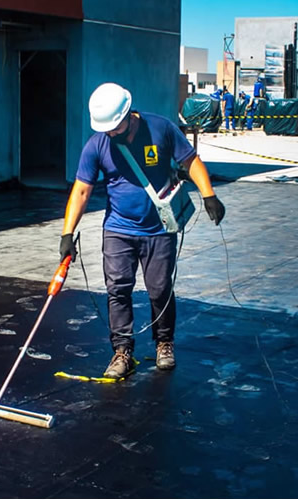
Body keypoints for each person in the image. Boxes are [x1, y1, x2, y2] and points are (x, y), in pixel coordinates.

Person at [59, 82, 225, 379]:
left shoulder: (160, 129)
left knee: (160, 289)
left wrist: (208, 194)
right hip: (118, 229)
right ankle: (121, 350)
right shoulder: (97, 144)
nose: (110, 133)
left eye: (114, 127)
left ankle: (164, 343)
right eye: (105, 129)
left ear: (128, 115)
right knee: (117, 290)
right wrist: (67, 234)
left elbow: (191, 160)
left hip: (159, 229)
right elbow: (82, 190)